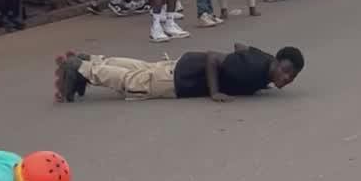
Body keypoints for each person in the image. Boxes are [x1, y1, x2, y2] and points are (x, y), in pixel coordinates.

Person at [55, 44, 304, 105]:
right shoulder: (253, 69)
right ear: (276, 62)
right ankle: (81, 69)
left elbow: (240, 47)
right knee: (135, 83)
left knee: (143, 69)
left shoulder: (263, 63)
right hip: (183, 79)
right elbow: (213, 57)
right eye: (285, 71)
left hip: (184, 64)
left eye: (291, 77)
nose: (286, 78)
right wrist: (215, 91)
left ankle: (92, 62)